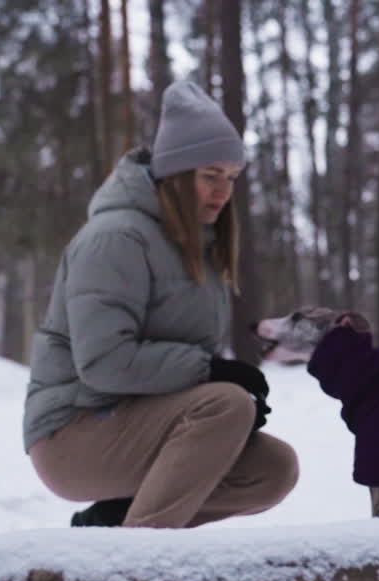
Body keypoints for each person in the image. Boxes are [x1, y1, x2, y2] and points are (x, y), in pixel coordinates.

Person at [22, 79, 299, 529]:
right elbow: (104, 363)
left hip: (128, 420)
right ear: (175, 173)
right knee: (226, 405)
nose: (223, 192)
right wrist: (212, 376)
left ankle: (115, 522)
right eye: (210, 176)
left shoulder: (193, 246)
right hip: (73, 430)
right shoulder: (116, 239)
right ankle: (133, 567)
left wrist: (214, 394)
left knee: (272, 469)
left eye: (230, 178)